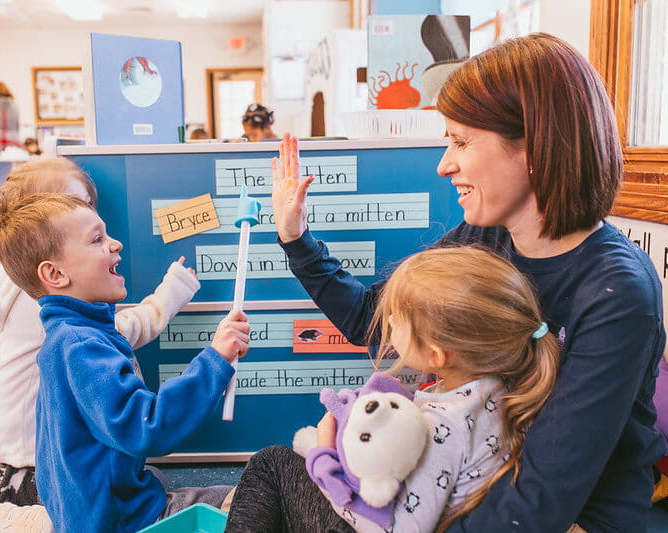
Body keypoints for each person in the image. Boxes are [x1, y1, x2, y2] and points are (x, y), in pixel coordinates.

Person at [235, 33, 666, 532]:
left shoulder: (618, 290)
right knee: (274, 465)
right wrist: (296, 238)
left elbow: (538, 507)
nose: (444, 164)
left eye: (461, 141)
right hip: (466, 490)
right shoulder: (485, 234)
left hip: (562, 520)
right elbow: (369, 320)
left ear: (535, 147)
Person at [0, 158, 203, 524]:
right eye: (72, 205)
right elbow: (122, 335)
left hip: (15, 421)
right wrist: (170, 296)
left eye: (88, 205)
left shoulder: (15, 281)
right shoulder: (55, 313)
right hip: (31, 436)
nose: (83, 212)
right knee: (70, 497)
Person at [227, 246, 561, 532]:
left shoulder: (441, 428)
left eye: (396, 318)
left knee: (271, 462)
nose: (387, 324)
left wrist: (324, 458)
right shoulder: (498, 384)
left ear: (436, 354)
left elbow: (395, 527)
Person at [0, 191, 250, 532]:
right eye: (97, 239)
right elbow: (147, 427)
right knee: (255, 497)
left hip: (105, 512)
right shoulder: (81, 345)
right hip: (126, 521)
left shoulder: (72, 335)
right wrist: (215, 360)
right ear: (55, 274)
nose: (116, 244)